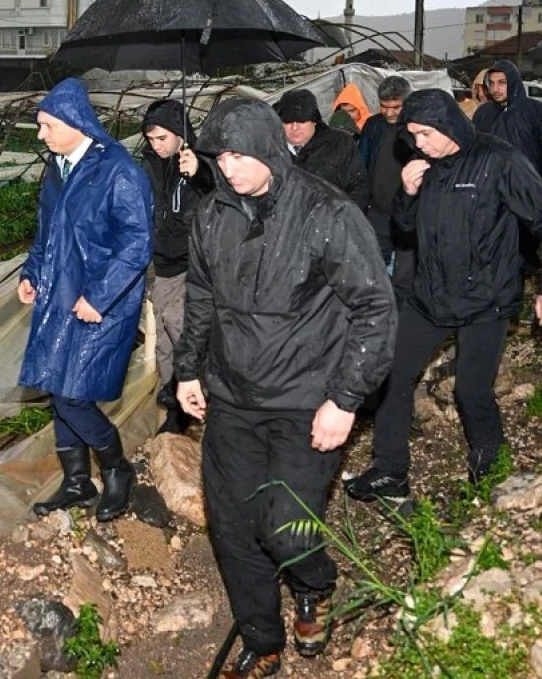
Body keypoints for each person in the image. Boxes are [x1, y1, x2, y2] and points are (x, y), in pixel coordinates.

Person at [174, 98, 396, 678]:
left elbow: (374, 308)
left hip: (306, 397)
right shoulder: (211, 215)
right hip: (232, 395)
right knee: (232, 525)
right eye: (220, 157)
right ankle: (262, 639)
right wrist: (188, 368)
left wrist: (344, 399)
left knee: (285, 526)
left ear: (269, 150)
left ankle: (314, 584)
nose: (228, 168)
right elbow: (201, 297)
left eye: (239, 155)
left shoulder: (327, 212)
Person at [343, 88, 542, 501]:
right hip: (431, 294)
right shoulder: (423, 165)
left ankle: (490, 467)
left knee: (471, 389)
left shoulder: (498, 160)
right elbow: (405, 230)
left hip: (487, 297)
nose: (419, 144)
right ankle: (389, 470)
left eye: (425, 134)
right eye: (413, 135)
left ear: (448, 125)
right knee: (391, 374)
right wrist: (407, 194)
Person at [18, 78, 153, 522]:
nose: (42, 135)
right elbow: (46, 234)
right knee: (58, 387)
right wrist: (31, 273)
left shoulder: (119, 171)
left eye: (48, 126)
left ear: (76, 123)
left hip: (99, 304)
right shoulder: (57, 169)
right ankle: (76, 481)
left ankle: (117, 469)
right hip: (59, 295)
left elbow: (136, 243)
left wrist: (99, 296)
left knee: (73, 395)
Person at [140, 99, 214, 433]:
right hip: (162, 264)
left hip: (192, 264)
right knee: (164, 337)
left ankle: (198, 400)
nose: (156, 146)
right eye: (150, 139)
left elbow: (219, 194)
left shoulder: (199, 161)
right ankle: (176, 402)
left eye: (162, 138)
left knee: (183, 329)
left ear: (180, 134)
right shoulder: (150, 165)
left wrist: (199, 173)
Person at [274, 88, 369, 211]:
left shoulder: (341, 144)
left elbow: (359, 187)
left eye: (301, 121)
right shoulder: (270, 148)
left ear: (314, 121)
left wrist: (344, 219)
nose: (294, 128)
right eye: (288, 122)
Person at [360, 76, 413, 273]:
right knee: (375, 270)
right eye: (384, 106)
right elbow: (361, 164)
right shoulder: (373, 126)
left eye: (396, 107)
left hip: (407, 216)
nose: (389, 113)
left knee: (403, 273)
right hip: (376, 214)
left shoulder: (417, 129)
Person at [472, 60, 542, 182]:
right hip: (492, 186)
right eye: (491, 83)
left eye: (502, 83)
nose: (495, 89)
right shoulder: (483, 113)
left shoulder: (537, 112)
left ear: (513, 82)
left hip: (528, 185)